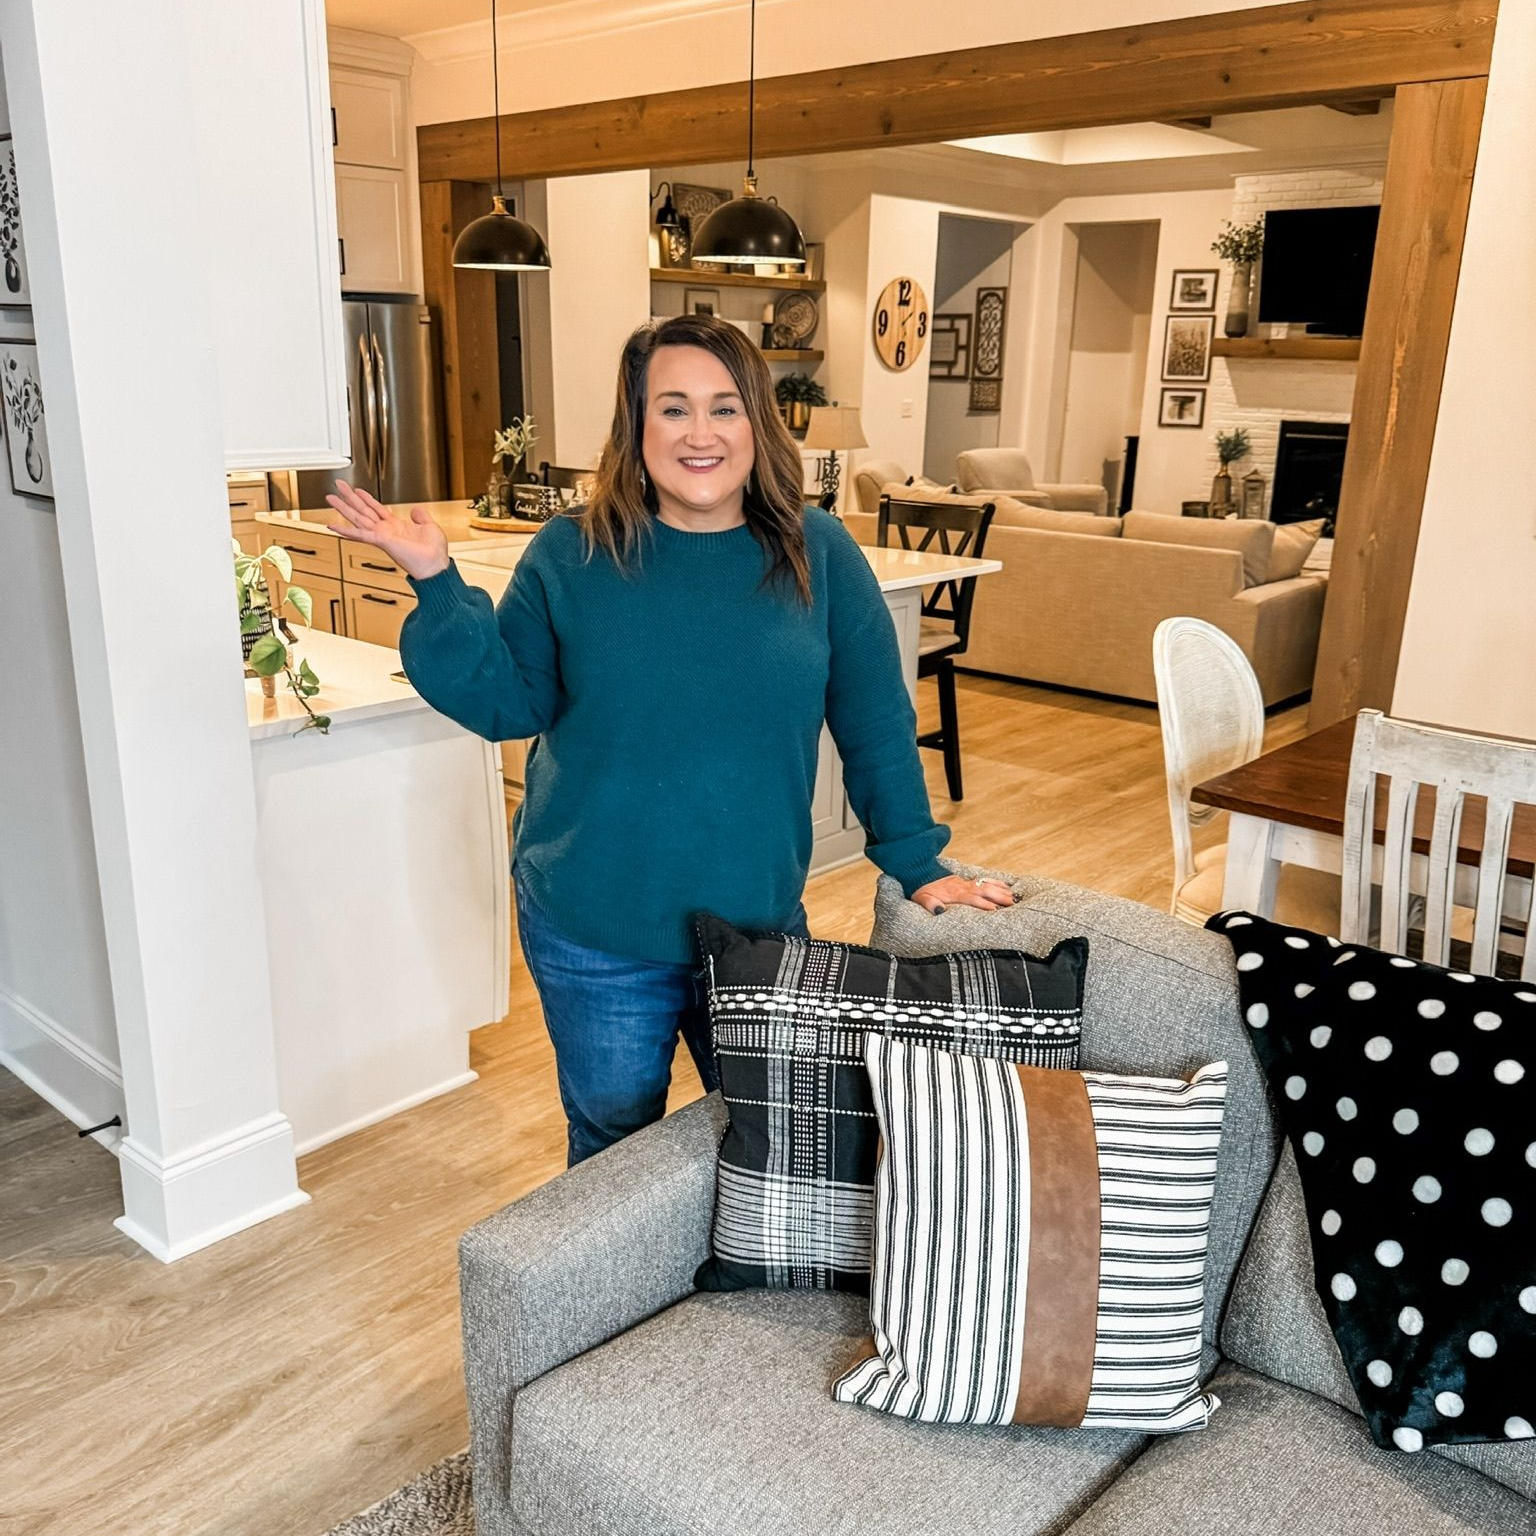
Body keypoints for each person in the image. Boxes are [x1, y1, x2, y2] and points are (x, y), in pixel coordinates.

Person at [325, 313, 1015, 1165]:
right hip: (595, 926)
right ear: (637, 424)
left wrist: (917, 861)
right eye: (674, 408)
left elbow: (875, 720)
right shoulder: (573, 552)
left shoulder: (820, 553)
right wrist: (436, 581)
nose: (701, 434)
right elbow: (507, 704)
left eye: (725, 408)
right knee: (615, 1152)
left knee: (776, 1140)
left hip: (758, 924)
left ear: (756, 424)